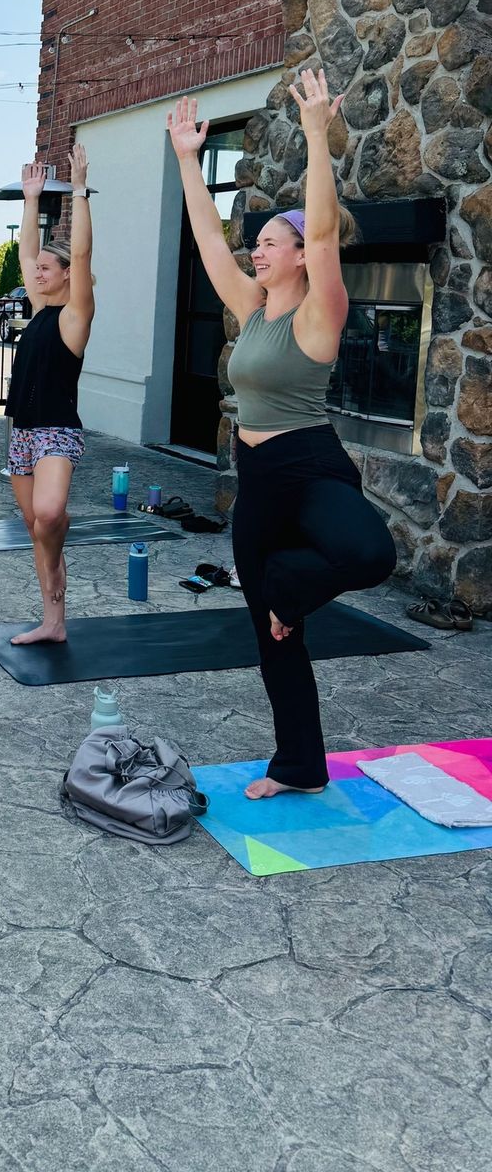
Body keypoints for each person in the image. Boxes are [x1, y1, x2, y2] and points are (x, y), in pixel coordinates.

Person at [167, 70, 396, 800]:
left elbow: (325, 231)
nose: (256, 253)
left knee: (370, 552)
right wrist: (183, 160)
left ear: (298, 255)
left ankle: (289, 589)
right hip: (257, 479)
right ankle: (297, 763)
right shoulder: (253, 306)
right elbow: (207, 239)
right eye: (257, 243)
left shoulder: (317, 312)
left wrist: (318, 135)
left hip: (311, 465)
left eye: (270, 244)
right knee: (275, 641)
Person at [5, 147, 95, 642]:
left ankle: (55, 551)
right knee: (32, 524)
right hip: (21, 429)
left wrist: (79, 190)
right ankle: (53, 621)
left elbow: (80, 253)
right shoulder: (41, 309)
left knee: (48, 515)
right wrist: (30, 199)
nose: (36, 272)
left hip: (57, 431)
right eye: (36, 268)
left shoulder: (75, 314)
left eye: (46, 268)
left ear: (64, 275)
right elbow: (22, 252)